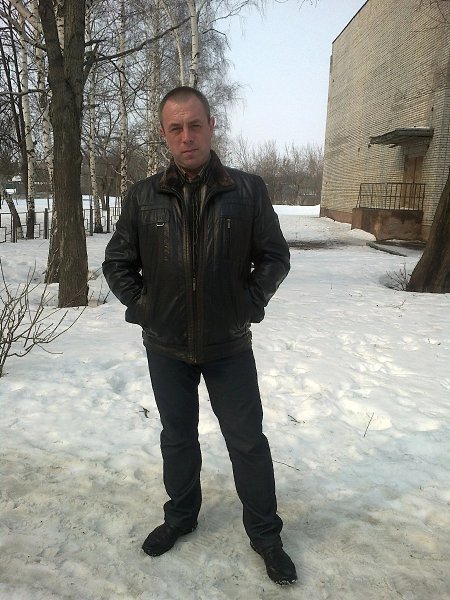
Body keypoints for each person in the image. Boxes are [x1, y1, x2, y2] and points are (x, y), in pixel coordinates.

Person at [102, 86, 296, 586]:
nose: (186, 136)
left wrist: (247, 304)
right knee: (177, 438)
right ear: (164, 134)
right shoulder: (143, 195)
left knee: (247, 441)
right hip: (166, 347)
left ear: (211, 125)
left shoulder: (247, 190)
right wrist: (145, 309)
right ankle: (181, 517)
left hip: (228, 346)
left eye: (194, 125)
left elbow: (274, 256)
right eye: (175, 128)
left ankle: (266, 536)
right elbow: (117, 262)